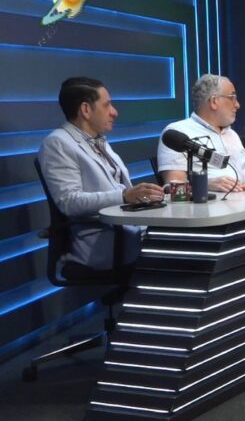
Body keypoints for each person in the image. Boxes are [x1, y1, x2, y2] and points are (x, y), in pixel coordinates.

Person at [37, 77, 164, 274]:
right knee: (181, 256)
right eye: (107, 105)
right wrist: (124, 196)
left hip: (130, 231)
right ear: (86, 110)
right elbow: (69, 202)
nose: (114, 112)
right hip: (105, 241)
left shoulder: (98, 141)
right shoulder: (57, 143)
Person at [157, 74, 245, 191]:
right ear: (214, 101)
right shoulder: (178, 133)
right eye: (232, 97)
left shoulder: (232, 135)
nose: (237, 105)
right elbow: (174, 188)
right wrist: (205, 185)